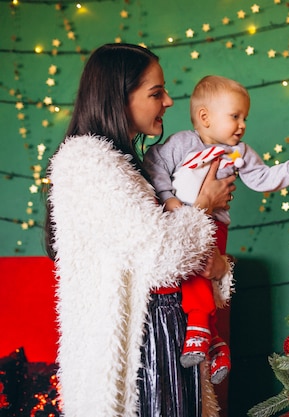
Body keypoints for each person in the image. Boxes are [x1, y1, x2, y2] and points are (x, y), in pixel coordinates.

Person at [43, 43, 236, 417]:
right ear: (120, 97)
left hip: (168, 331)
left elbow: (180, 255)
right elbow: (160, 256)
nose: (168, 101)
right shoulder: (89, 162)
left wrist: (220, 267)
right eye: (155, 92)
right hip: (142, 344)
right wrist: (203, 206)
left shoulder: (135, 166)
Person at [143, 75, 289, 381]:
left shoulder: (237, 152)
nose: (242, 125)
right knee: (187, 273)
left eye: (244, 118)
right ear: (205, 117)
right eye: (234, 116)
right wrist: (168, 198)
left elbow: (262, 178)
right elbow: (154, 165)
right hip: (183, 220)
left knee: (204, 269)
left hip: (214, 225)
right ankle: (216, 344)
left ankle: (199, 326)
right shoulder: (182, 143)